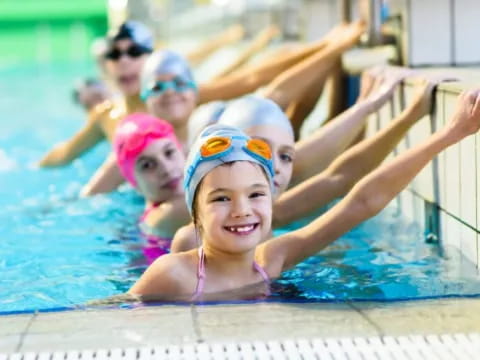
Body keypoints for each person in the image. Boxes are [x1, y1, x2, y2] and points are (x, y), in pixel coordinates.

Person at [129, 90, 480, 301]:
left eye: (255, 194)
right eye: (221, 198)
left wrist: (449, 134)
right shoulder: (174, 274)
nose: (241, 210)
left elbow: (359, 203)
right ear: (195, 212)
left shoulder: (272, 260)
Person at [82, 21, 365, 195]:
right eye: (158, 88)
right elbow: (90, 195)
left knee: (285, 127)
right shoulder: (142, 143)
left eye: (179, 85)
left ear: (194, 91)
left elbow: (269, 89)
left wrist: (333, 47)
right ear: (147, 96)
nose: (171, 94)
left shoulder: (206, 126)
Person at [39, 21, 153, 168]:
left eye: (134, 52)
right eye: (114, 55)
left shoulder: (172, 102)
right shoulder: (107, 115)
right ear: (106, 67)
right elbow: (63, 154)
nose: (123, 61)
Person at [113, 113, 190, 262]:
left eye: (169, 153)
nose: (166, 169)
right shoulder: (162, 217)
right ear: (134, 183)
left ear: (183, 153)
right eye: (147, 165)